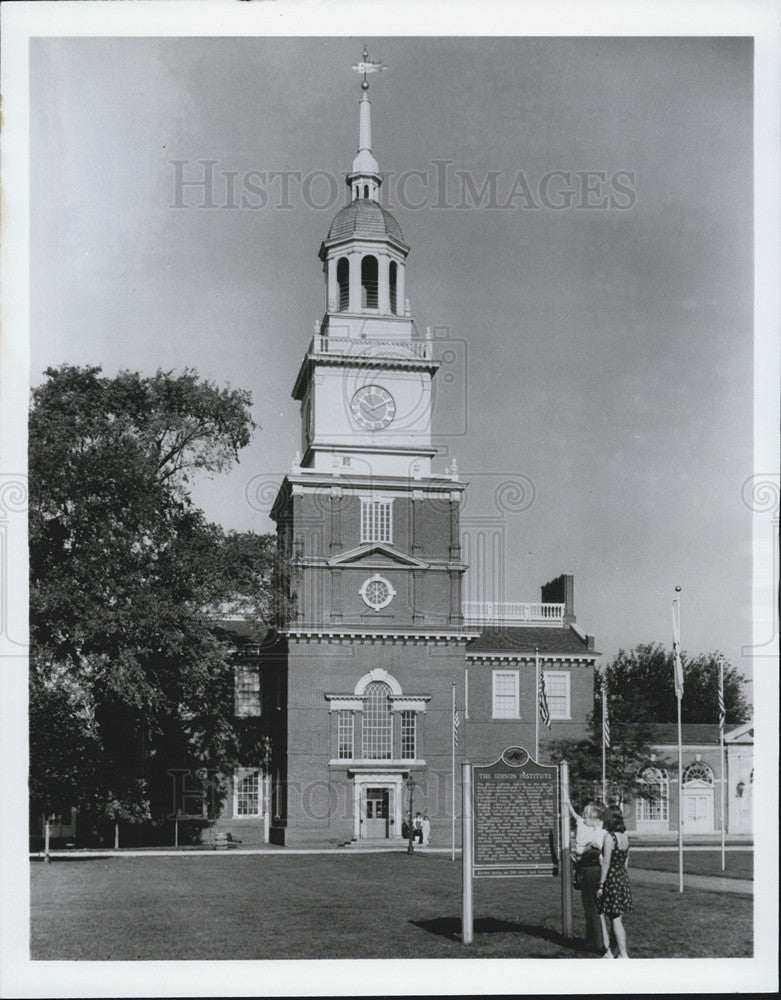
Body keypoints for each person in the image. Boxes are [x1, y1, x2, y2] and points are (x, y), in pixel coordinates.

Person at [568, 800, 610, 956]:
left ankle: (599, 944)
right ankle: (593, 941)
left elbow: (589, 853)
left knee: (593, 909)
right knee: (590, 909)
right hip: (586, 871)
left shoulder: (600, 834)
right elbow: (575, 815)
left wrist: (580, 854)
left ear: (597, 818)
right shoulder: (584, 827)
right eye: (586, 816)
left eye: (591, 817)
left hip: (592, 872)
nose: (587, 819)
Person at [597, 807, 633, 959]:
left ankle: (624, 955)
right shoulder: (625, 837)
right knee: (616, 916)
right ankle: (611, 952)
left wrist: (601, 884)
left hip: (611, 878)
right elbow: (625, 862)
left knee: (615, 918)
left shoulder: (609, 837)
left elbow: (606, 862)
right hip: (622, 877)